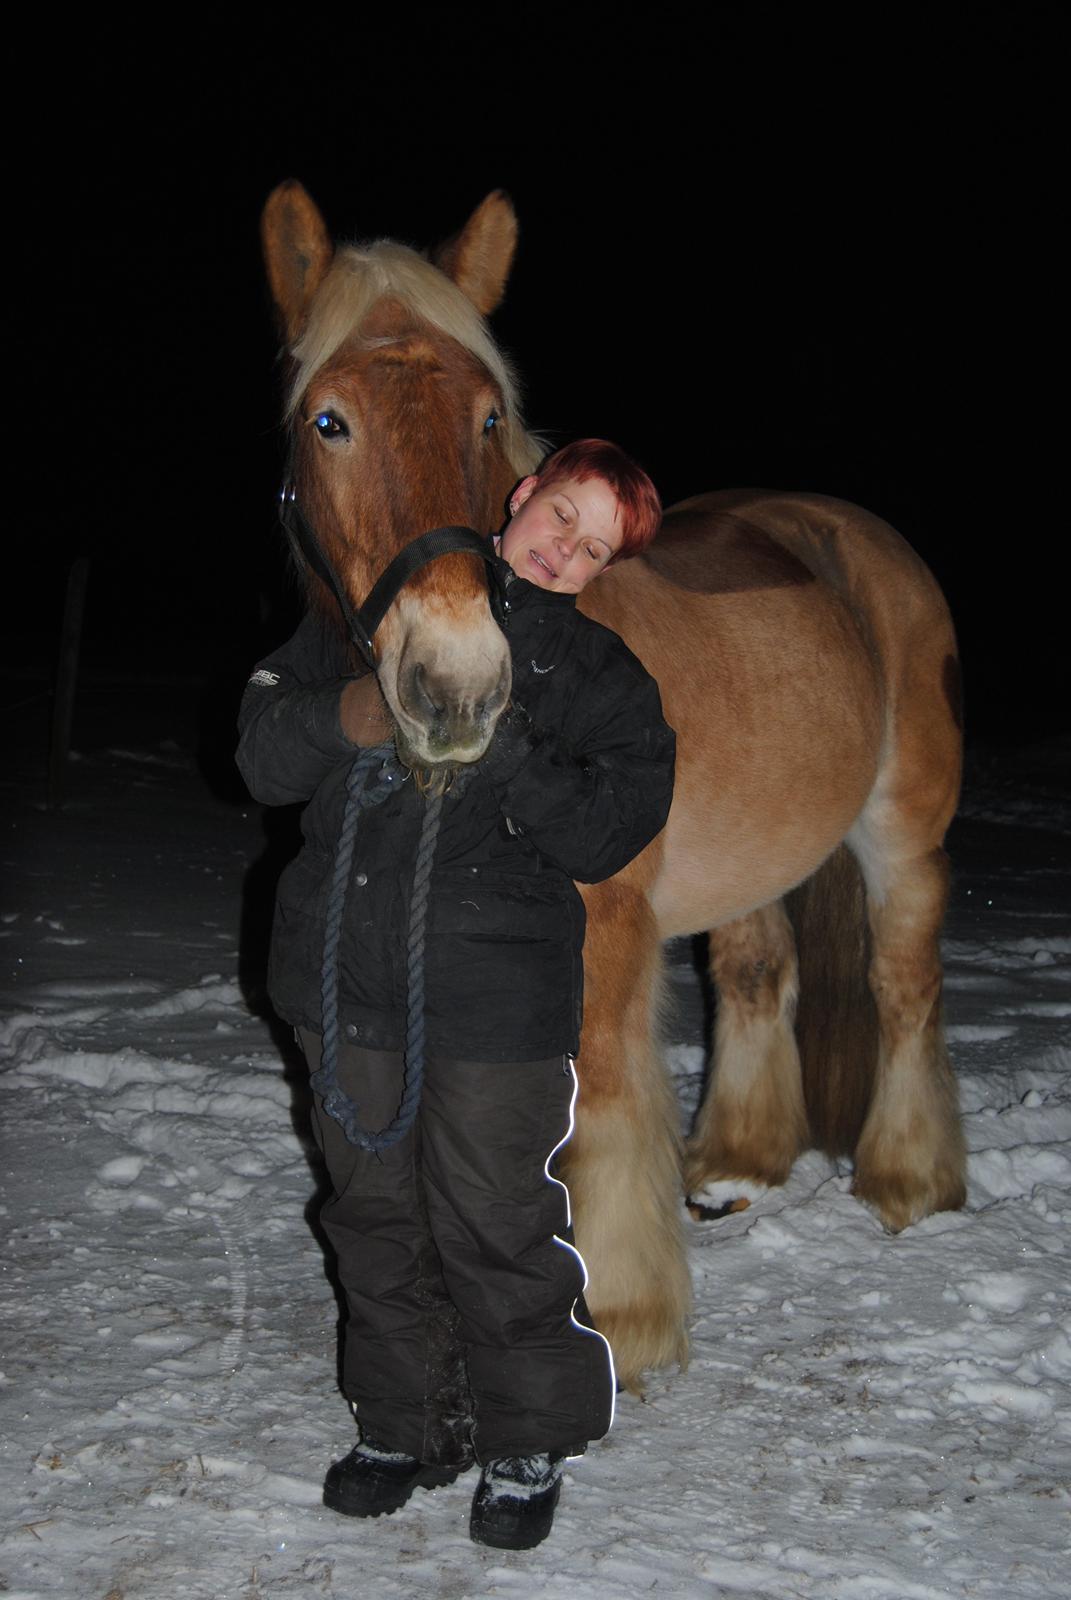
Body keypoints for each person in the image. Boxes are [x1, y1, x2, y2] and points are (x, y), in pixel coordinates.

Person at [236, 439, 674, 1550]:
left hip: (496, 998)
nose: (564, 548)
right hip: (342, 975)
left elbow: (612, 826)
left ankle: (530, 1431)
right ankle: (406, 1421)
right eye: (560, 515)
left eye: (593, 548)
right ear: (524, 494)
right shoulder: (364, 612)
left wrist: (502, 740)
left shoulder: (601, 678)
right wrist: (364, 712)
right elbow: (257, 755)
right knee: (371, 1211)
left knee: (494, 1216)